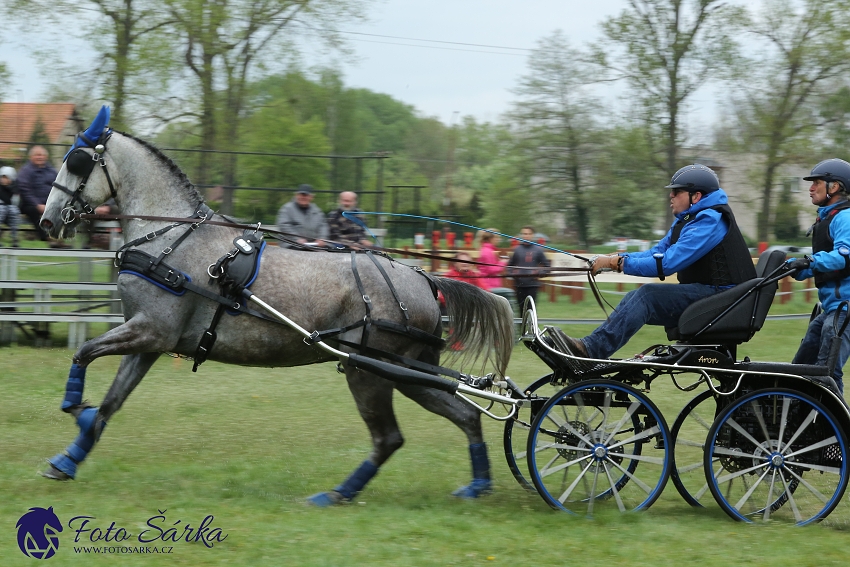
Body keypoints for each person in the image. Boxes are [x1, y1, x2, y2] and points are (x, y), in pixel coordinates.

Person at [559, 164, 755, 360]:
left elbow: (667, 264)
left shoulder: (709, 221)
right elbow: (657, 253)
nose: (671, 196)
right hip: (714, 295)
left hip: (727, 300)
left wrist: (615, 263)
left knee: (647, 296)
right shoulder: (688, 220)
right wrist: (615, 259)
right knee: (636, 296)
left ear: (695, 196)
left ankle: (591, 351)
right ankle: (590, 348)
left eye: (676, 191)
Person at [786, 158, 850, 394]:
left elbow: (844, 257)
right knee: (800, 369)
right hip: (831, 310)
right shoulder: (826, 218)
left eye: (816, 183)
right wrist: (799, 267)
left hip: (845, 310)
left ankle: (839, 430)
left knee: (827, 373)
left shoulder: (845, 217)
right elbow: (825, 262)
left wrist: (810, 261)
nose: (811, 188)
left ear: (834, 187)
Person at [17, 145, 57, 245]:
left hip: (49, 203)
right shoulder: (26, 171)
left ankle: (58, 236)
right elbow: (24, 190)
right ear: (31, 157)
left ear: (46, 157)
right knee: (32, 210)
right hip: (30, 204)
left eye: (42, 155)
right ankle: (46, 237)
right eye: (37, 155)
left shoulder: (52, 171)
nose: (40, 157)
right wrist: (37, 205)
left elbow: (58, 187)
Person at [507, 226, 551, 311]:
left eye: (528, 234)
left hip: (532, 285)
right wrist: (514, 274)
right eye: (524, 234)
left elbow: (547, 267)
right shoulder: (517, 250)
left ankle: (532, 324)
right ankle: (521, 324)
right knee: (521, 310)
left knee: (531, 310)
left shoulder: (538, 249)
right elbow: (509, 266)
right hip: (519, 285)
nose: (526, 236)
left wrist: (539, 273)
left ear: (533, 235)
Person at [0, 166, 21, 247]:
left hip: (11, 210)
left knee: (14, 211)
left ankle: (14, 239)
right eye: (2, 177)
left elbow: (15, 202)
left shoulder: (15, 188)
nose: (3, 179)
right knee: (1, 210)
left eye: (6, 177)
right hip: (1, 210)